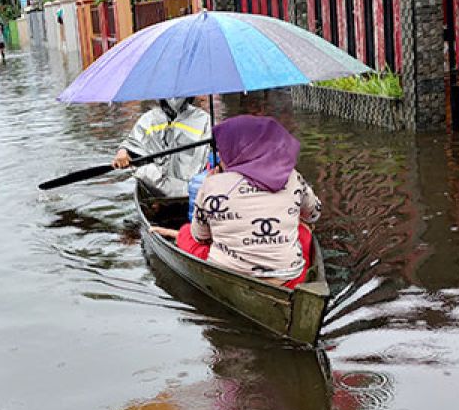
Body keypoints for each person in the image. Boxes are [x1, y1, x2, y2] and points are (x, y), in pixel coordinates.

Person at [155, 115, 321, 288]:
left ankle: (180, 235)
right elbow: (314, 214)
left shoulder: (211, 183)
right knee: (302, 228)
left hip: (228, 273)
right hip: (289, 279)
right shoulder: (293, 177)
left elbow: (200, 237)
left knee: (186, 233)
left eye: (222, 150)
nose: (220, 155)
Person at [112, 97, 212, 198]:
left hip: (195, 188)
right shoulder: (149, 119)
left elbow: (216, 151)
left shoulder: (204, 120)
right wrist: (123, 152)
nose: (174, 98)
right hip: (157, 188)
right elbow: (131, 144)